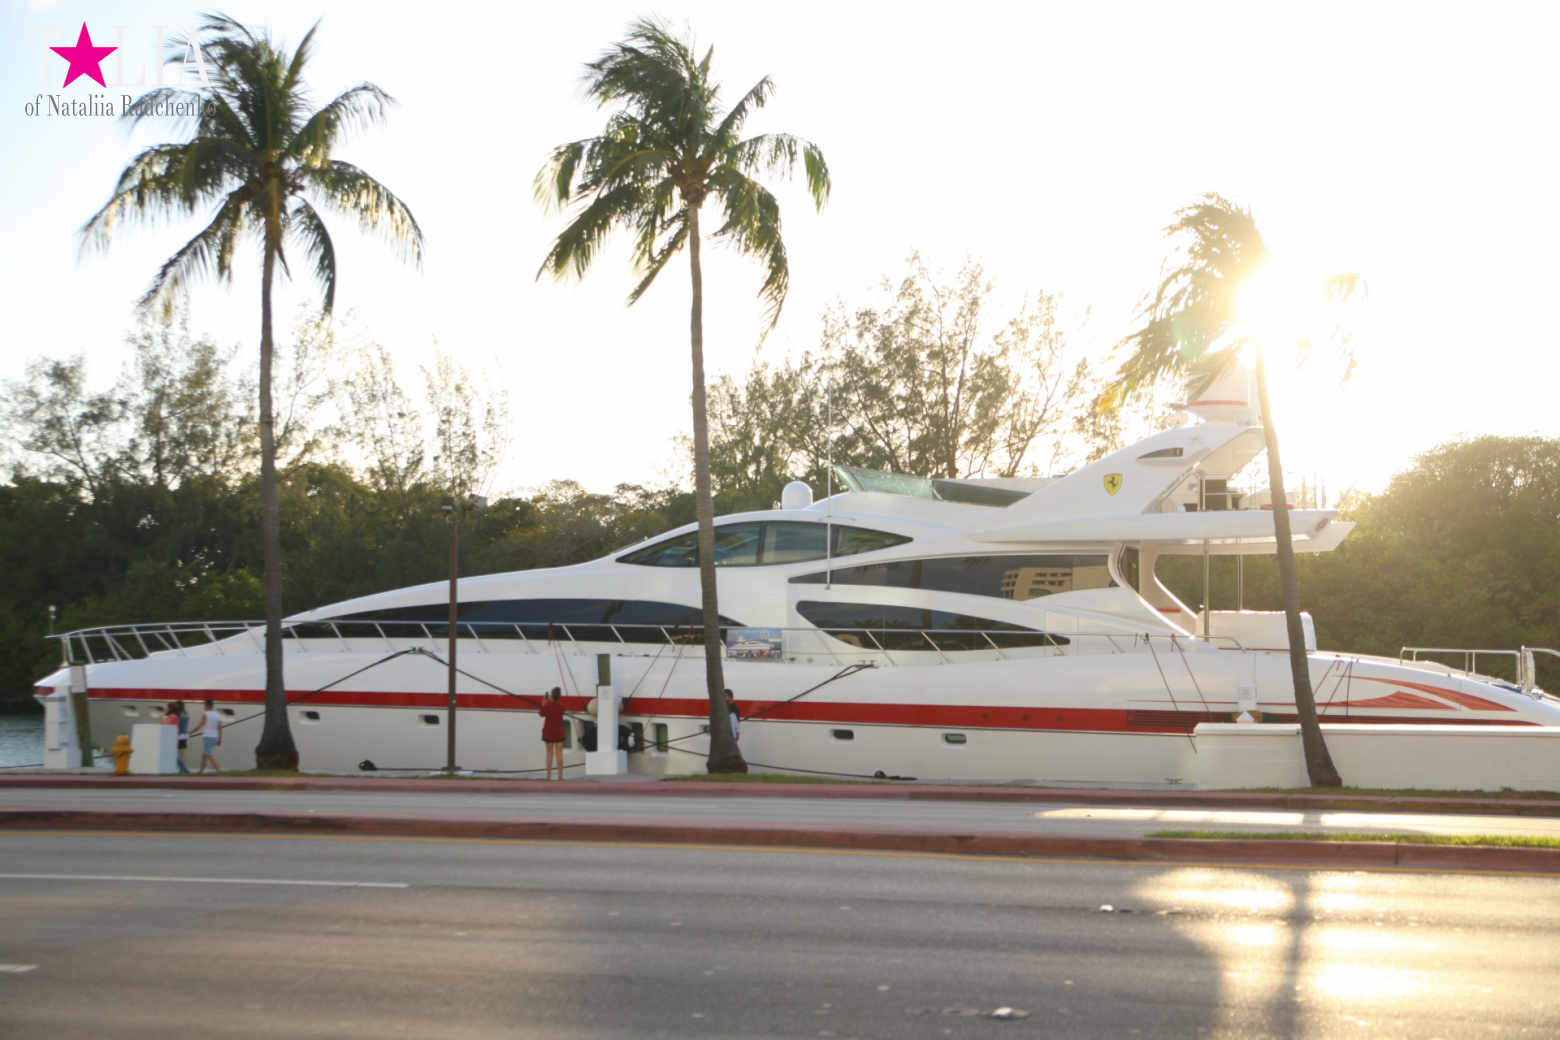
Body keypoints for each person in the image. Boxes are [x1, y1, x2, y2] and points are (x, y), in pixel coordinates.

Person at [539, 687, 566, 780]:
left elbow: (541, 713)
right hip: (559, 732)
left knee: (549, 753)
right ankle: (560, 776)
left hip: (549, 733)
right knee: (559, 754)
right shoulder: (562, 707)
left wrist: (544, 703)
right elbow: (559, 710)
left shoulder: (547, 707)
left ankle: (548, 776)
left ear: (552, 696)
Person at [189, 698, 222, 774]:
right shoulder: (217, 715)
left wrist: (191, 732)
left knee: (210, 755)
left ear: (206, 706)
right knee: (204, 754)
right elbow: (220, 727)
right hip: (215, 736)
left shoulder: (206, 714)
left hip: (207, 737)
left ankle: (218, 770)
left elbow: (200, 726)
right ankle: (201, 771)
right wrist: (220, 739)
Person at [162, 701, 190, 773]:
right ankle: (183, 768)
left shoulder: (178, 715)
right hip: (185, 735)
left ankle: (184, 768)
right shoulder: (186, 714)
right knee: (182, 754)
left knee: (177, 754)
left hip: (179, 735)